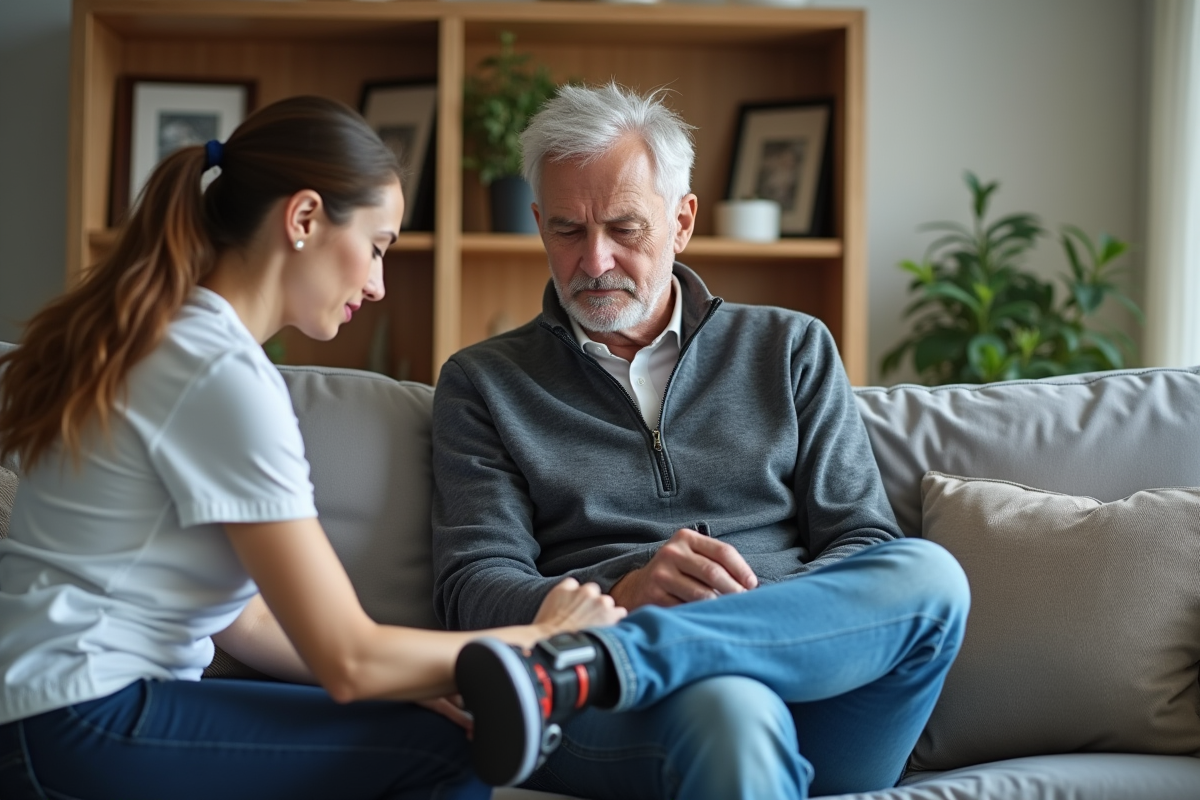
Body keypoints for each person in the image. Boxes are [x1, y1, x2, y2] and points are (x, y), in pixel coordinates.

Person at [0, 95, 624, 800]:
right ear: (302, 219)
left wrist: (411, 680)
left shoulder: (172, 340)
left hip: (45, 714)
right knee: (445, 755)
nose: (379, 283)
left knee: (421, 731)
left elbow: (247, 619)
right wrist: (543, 638)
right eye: (378, 246)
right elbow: (348, 658)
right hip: (75, 720)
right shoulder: (216, 376)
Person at [432, 83, 971, 799]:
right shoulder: (484, 382)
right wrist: (621, 593)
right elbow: (471, 590)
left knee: (932, 577)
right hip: (630, 718)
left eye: (625, 228)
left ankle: (619, 656)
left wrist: (755, 621)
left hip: (820, 695)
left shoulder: (790, 347)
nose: (593, 262)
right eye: (567, 230)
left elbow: (864, 541)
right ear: (537, 223)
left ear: (681, 221)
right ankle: (632, 663)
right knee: (731, 706)